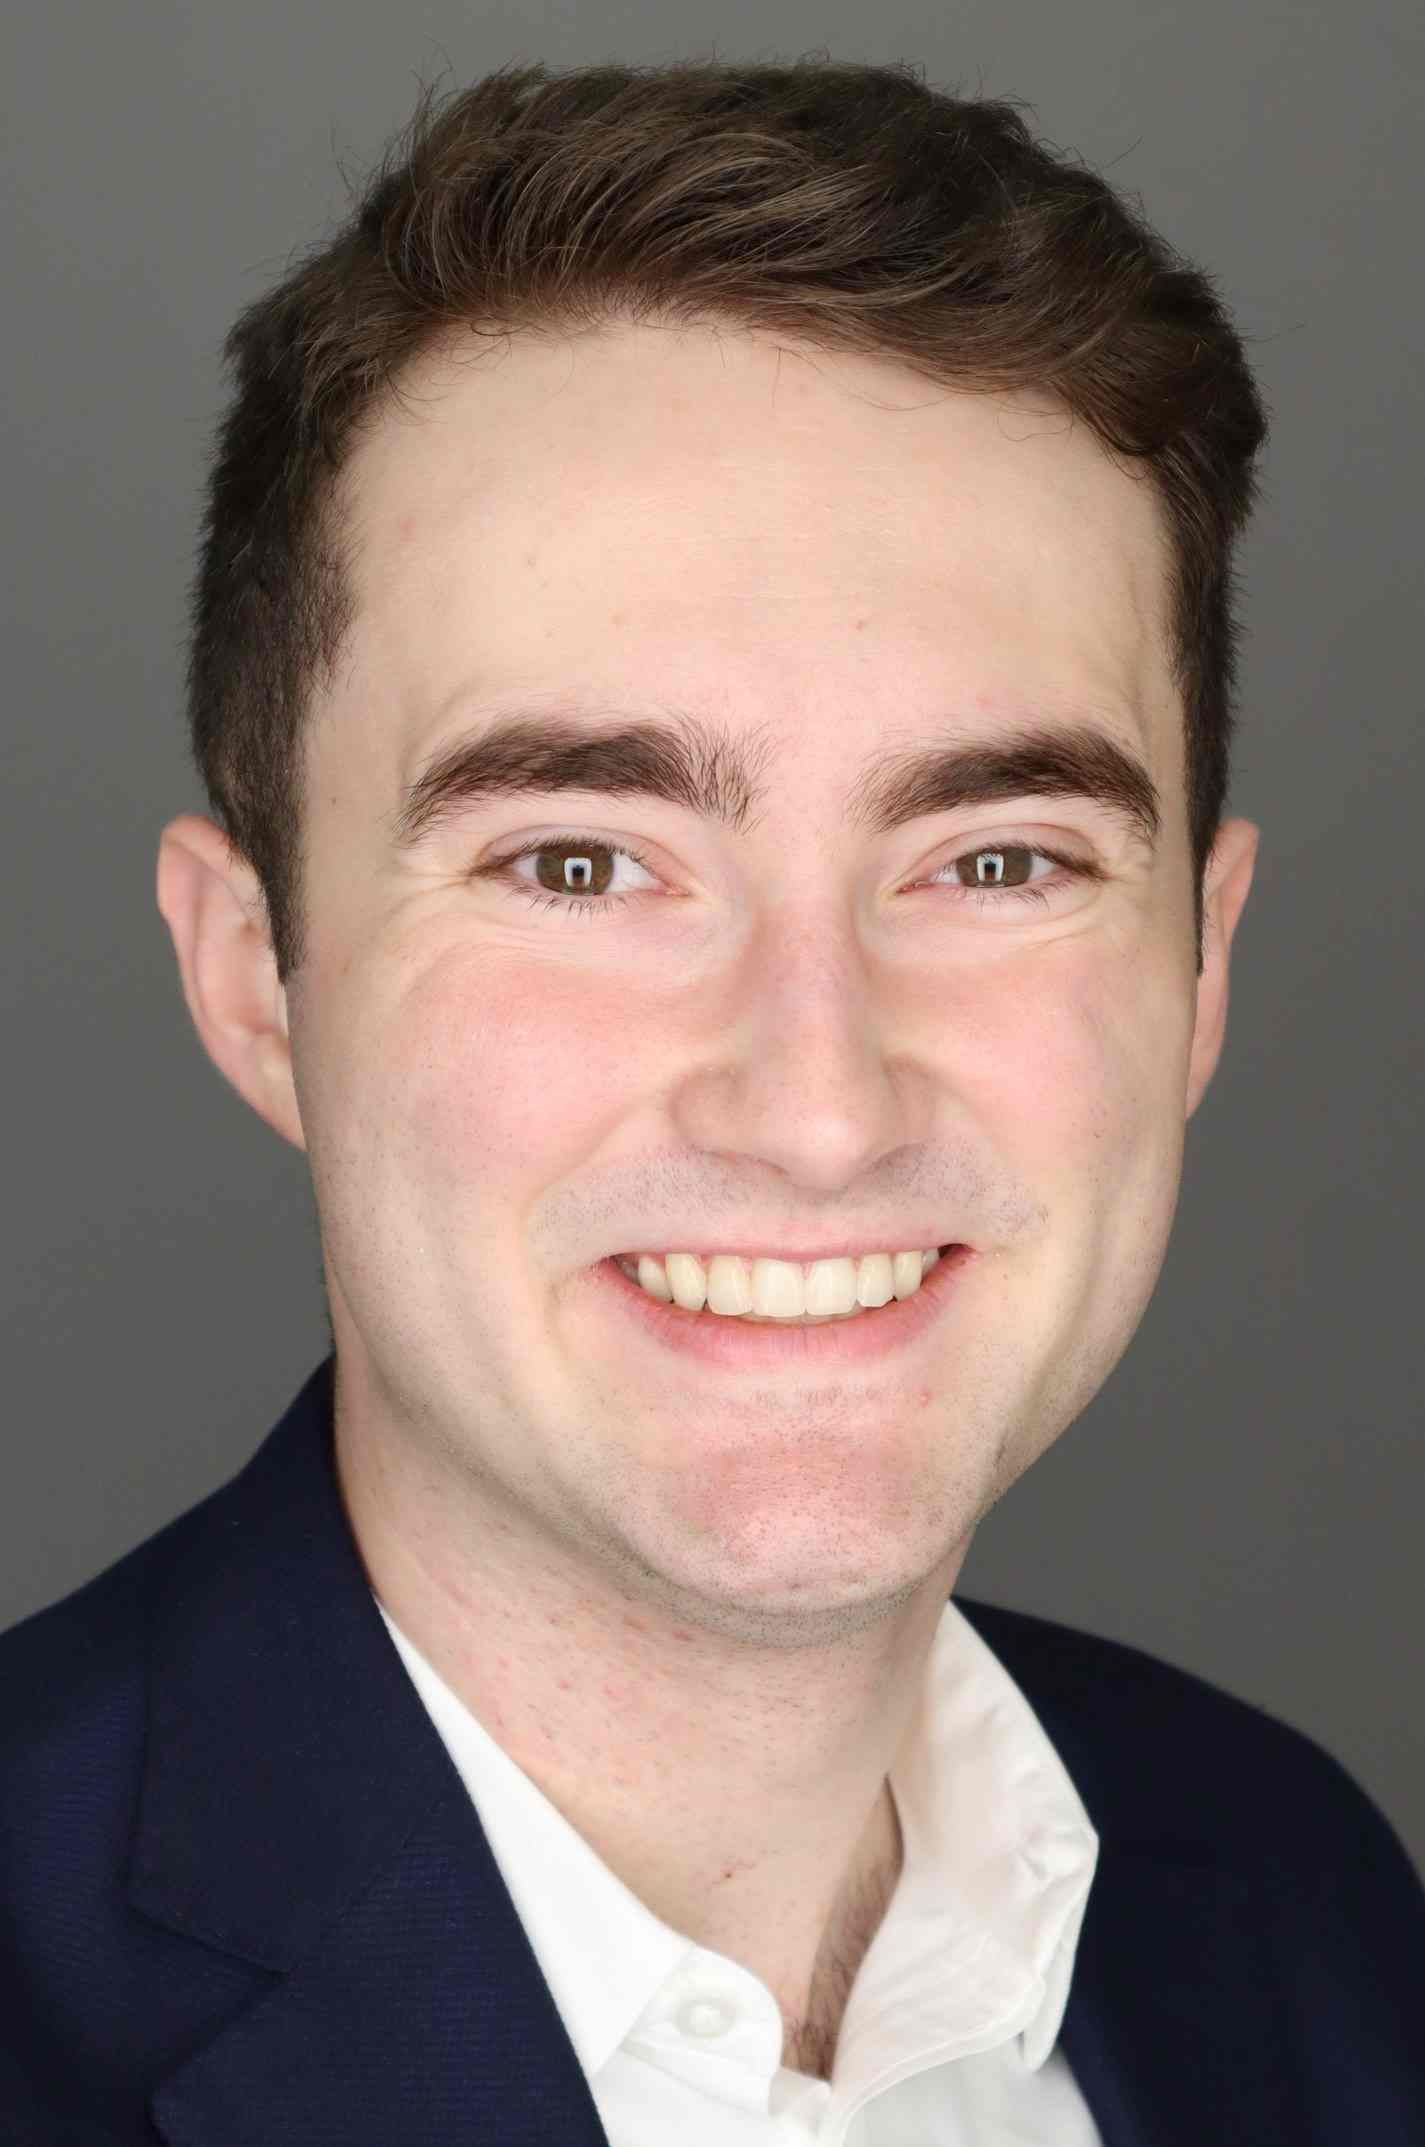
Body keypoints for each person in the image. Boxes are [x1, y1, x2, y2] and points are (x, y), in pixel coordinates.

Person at [3, 55, 1422, 2146]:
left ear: (1198, 968)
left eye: (995, 859)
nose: (818, 1106)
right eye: (582, 862)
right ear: (253, 978)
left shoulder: (1304, 1914)